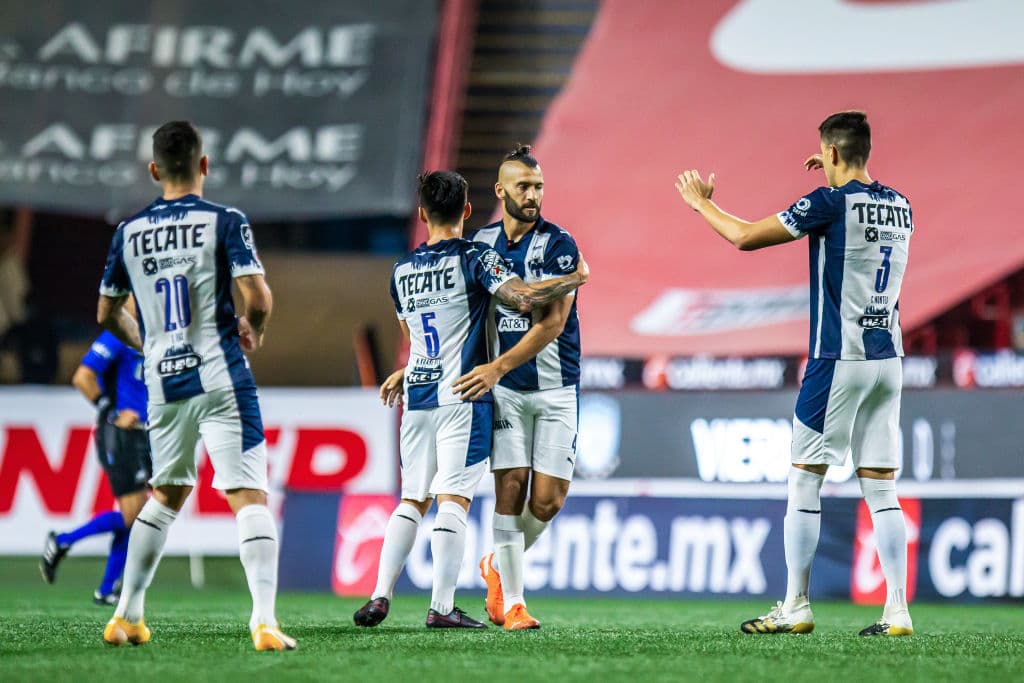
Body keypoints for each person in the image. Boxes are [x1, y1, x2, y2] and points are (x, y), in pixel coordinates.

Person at [674, 111, 914, 637]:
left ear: (829, 153)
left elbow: (743, 236)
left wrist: (701, 203)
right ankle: (897, 610)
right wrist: (833, 172)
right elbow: (857, 203)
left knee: (805, 478)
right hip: (888, 359)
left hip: (837, 358)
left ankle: (795, 604)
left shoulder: (827, 202)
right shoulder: (900, 205)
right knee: (882, 485)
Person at [353, 170, 588, 629]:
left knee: (411, 499)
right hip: (463, 393)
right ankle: (441, 608)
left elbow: (415, 336)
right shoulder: (476, 256)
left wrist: (406, 370)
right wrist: (573, 279)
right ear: (466, 210)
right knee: (453, 501)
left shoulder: (401, 270)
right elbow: (520, 298)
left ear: (422, 214)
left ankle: (380, 595)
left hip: (418, 395)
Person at [96, 120, 294, 651]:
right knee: (249, 496)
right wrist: (255, 329)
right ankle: (265, 622)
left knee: (165, 494)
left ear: (154, 170)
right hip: (221, 373)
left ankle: (126, 615)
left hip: (163, 383)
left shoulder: (128, 232)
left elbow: (107, 312)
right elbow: (258, 296)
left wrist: (148, 342)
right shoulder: (224, 221)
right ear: (204, 166)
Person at [454, 145, 582, 631]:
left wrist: (496, 367)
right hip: (504, 390)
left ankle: (493, 565)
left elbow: (552, 323)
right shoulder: (480, 244)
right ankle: (514, 604)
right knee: (510, 485)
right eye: (523, 186)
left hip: (554, 386)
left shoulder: (559, 244)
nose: (533, 195)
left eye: (539, 186)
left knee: (547, 501)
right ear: (500, 190)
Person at [40, 300, 151, 605]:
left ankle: (106, 590)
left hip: (142, 434)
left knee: (136, 517)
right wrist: (111, 411)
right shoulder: (116, 335)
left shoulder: (153, 335)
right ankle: (63, 541)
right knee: (136, 515)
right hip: (118, 434)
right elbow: (82, 377)